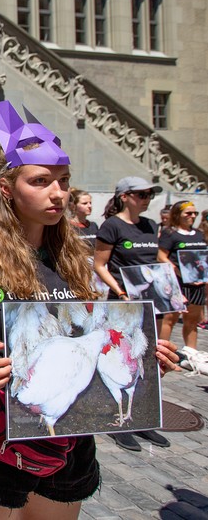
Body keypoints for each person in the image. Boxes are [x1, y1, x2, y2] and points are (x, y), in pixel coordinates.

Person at [0, 102, 180, 518]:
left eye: (63, 181)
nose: (57, 193)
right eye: (41, 181)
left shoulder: (75, 253)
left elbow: (90, 336)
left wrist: (143, 358)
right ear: (7, 188)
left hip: (68, 430)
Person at [94, 176, 170, 452]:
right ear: (124, 196)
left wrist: (172, 281)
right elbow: (100, 265)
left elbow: (156, 261)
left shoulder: (151, 225)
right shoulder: (112, 226)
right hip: (122, 305)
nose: (146, 198)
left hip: (151, 304)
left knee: (148, 360)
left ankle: (143, 419)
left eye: (149, 194)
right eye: (141, 194)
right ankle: (119, 422)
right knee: (120, 361)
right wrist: (120, 291)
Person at [158, 200, 208, 374]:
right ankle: (163, 355)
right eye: (188, 213)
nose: (192, 216)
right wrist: (179, 272)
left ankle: (191, 355)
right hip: (177, 283)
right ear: (177, 214)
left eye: (194, 213)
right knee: (170, 319)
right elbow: (161, 256)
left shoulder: (199, 234)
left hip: (198, 284)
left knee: (192, 321)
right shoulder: (170, 233)